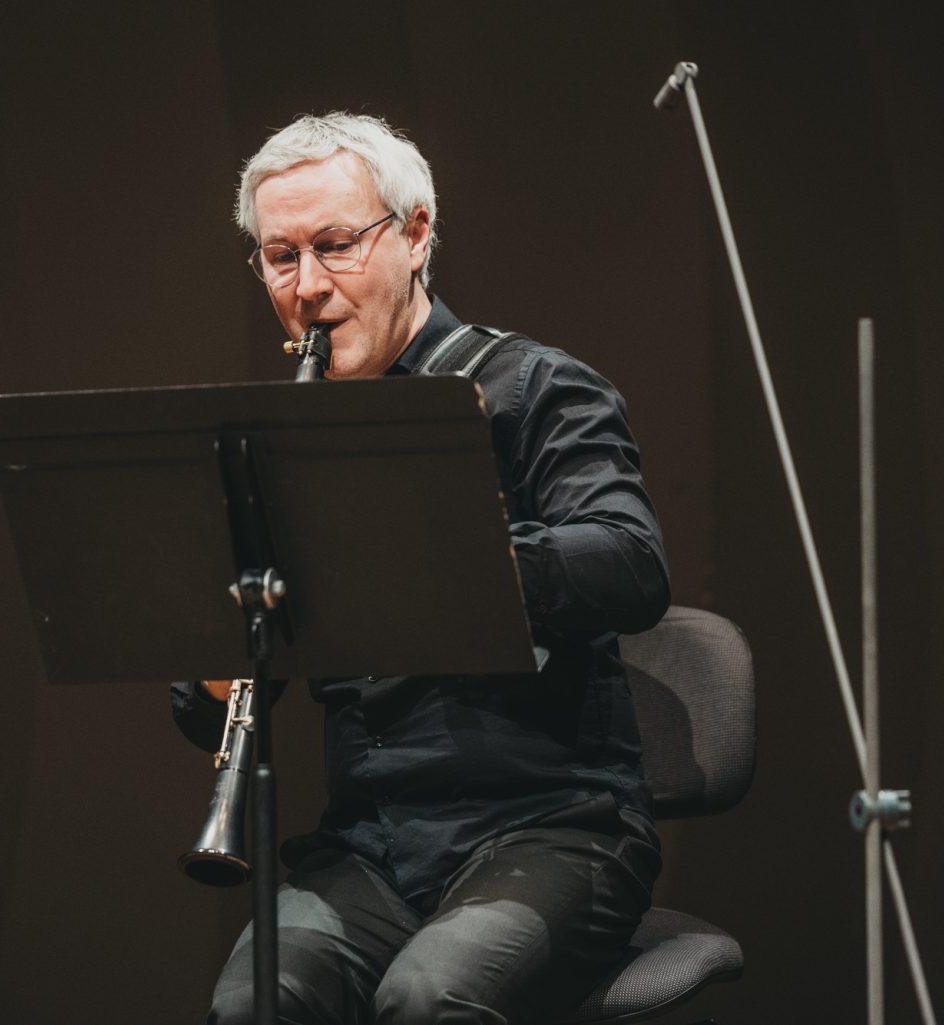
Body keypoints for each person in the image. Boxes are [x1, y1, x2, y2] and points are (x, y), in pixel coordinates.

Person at [170, 112, 670, 1025]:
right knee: (254, 1006)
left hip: (555, 827)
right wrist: (230, 633)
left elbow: (630, 562)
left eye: (335, 246)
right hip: (370, 848)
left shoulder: (534, 387)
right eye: (280, 257)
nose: (308, 287)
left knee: (428, 1000)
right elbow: (202, 708)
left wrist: (438, 556)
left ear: (416, 233)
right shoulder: (286, 447)